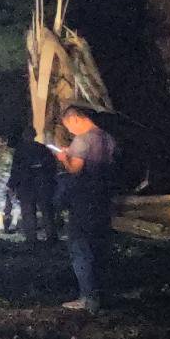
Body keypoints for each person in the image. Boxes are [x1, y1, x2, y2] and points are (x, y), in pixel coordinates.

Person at [51, 103, 117, 312]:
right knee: (99, 246)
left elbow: (75, 170)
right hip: (103, 198)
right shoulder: (107, 137)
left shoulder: (82, 139)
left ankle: (88, 298)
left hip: (83, 199)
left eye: (68, 126)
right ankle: (101, 295)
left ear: (75, 119)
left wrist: (64, 159)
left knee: (80, 247)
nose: (69, 131)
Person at [10, 130, 57, 244]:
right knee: (46, 211)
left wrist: (12, 184)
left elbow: (16, 169)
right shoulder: (42, 148)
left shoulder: (20, 150)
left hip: (26, 184)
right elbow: (51, 165)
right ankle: (51, 237)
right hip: (42, 183)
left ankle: (31, 238)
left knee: (28, 212)